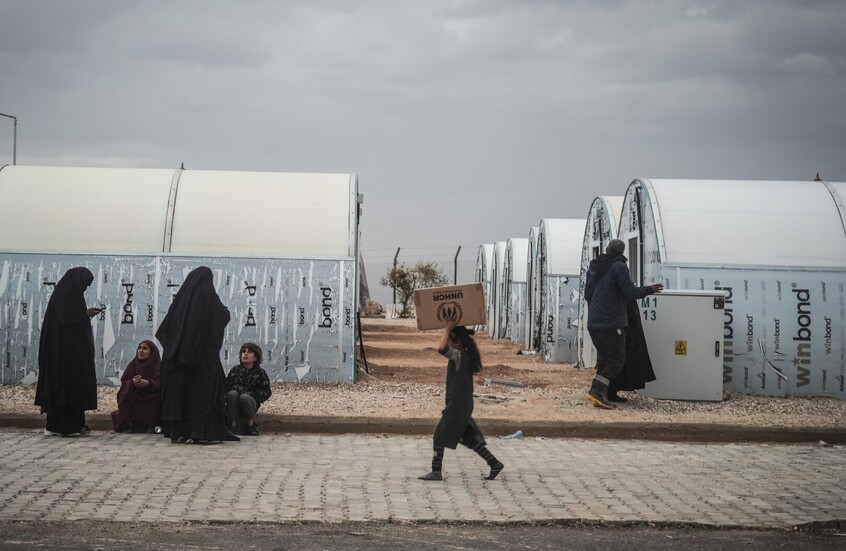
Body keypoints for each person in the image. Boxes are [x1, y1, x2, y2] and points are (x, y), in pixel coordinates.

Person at [155, 266, 236, 444]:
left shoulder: (181, 301)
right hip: (202, 359)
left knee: (182, 395)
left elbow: (165, 331)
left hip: (178, 360)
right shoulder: (208, 294)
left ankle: (179, 432)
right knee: (203, 396)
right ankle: (201, 432)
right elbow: (221, 316)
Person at [419, 316, 504, 482]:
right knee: (470, 438)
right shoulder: (465, 355)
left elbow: (441, 349)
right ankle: (494, 463)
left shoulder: (458, 355)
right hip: (463, 404)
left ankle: (436, 471)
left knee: (439, 436)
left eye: (451, 339)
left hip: (457, 406)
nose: (449, 342)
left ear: (457, 342)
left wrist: (446, 330)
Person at [584, 239, 663, 409]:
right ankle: (596, 391)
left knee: (605, 359)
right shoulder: (619, 267)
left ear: (607, 250)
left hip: (594, 323)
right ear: (622, 252)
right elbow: (630, 292)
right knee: (616, 359)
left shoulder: (594, 268)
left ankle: (608, 393)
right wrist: (650, 289)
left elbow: (587, 295)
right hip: (612, 323)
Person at [35, 267, 100, 437]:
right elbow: (68, 320)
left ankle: (69, 425)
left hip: (66, 355)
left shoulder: (68, 294)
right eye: (84, 285)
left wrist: (85, 315)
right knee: (67, 388)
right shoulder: (66, 296)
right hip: (64, 357)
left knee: (70, 388)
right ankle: (66, 427)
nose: (84, 289)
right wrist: (85, 315)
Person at [605, 300, 656, 403]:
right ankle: (606, 390)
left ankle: (608, 390)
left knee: (620, 357)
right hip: (624, 321)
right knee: (619, 358)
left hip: (622, 319)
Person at [111, 340, 162, 433]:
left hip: (151, 398)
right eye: (139, 348)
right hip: (135, 395)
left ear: (152, 353)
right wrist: (132, 382)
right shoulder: (133, 365)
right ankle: (130, 424)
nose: (140, 351)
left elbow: (162, 383)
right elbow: (124, 382)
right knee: (125, 396)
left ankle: (152, 425)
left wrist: (149, 383)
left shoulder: (157, 366)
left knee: (158, 398)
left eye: (145, 348)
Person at [225, 342, 272, 435]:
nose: (245, 354)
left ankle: (250, 424)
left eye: (249, 352)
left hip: (249, 403)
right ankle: (232, 424)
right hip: (233, 402)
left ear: (256, 358)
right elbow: (226, 387)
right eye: (243, 351)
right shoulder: (234, 371)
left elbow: (266, 392)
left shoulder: (260, 373)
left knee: (244, 397)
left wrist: (251, 395)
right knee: (232, 394)